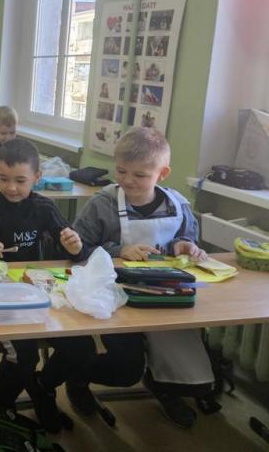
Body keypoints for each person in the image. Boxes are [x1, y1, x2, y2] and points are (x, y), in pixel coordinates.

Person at [73, 127, 214, 428]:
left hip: (165, 296)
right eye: (121, 171)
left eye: (140, 175)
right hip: (118, 297)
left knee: (184, 361)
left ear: (162, 174)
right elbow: (77, 249)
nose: (127, 180)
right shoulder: (102, 204)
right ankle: (76, 377)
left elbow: (187, 239)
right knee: (127, 369)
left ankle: (164, 387)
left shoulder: (178, 205)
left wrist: (184, 245)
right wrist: (119, 250)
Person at [0, 138, 92, 432]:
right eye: (4, 179)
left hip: (39, 292)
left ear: (37, 177)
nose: (11, 188)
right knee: (24, 355)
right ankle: (0, 406)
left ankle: (42, 386)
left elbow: (75, 251)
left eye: (20, 181)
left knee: (81, 346)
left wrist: (75, 247)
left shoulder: (44, 207)